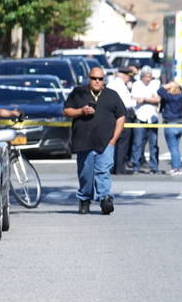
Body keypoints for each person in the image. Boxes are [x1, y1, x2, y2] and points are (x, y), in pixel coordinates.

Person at [63, 67, 126, 215]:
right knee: (86, 173)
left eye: (100, 79)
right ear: (88, 78)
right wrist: (81, 111)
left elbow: (121, 116)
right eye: (94, 78)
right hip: (83, 141)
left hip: (106, 142)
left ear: (104, 80)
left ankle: (105, 199)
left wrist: (114, 139)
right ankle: (84, 199)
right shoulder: (79, 93)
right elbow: (66, 111)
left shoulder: (112, 95)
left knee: (103, 171)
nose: (97, 81)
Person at [130, 66, 163, 174]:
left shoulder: (155, 84)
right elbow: (135, 99)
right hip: (140, 117)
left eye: (150, 77)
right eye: (146, 77)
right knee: (138, 144)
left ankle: (154, 167)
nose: (148, 79)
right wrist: (149, 99)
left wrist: (145, 99)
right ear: (142, 77)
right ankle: (136, 165)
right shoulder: (136, 85)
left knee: (153, 144)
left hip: (152, 118)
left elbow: (158, 99)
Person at [107, 66, 136, 175]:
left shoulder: (110, 84)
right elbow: (128, 103)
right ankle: (119, 168)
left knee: (112, 142)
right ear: (124, 75)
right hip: (123, 116)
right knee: (122, 143)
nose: (129, 79)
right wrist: (134, 101)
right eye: (129, 76)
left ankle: (111, 167)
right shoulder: (121, 86)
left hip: (110, 117)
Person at [158, 80, 182, 175]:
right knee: (176, 148)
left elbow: (160, 91)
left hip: (170, 124)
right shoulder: (181, 97)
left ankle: (175, 168)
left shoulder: (169, 97)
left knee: (173, 148)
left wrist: (167, 85)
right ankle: (177, 167)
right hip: (179, 124)